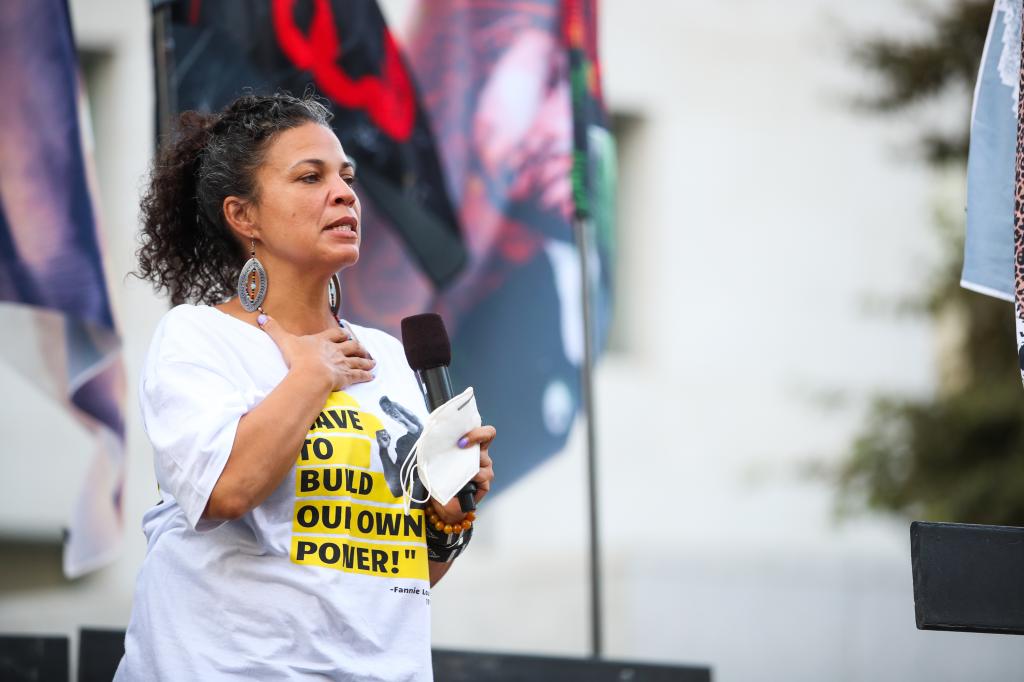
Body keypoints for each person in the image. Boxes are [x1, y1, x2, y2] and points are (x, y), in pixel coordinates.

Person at [114, 92, 495, 681]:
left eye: (346, 176)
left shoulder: (391, 359)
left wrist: (447, 518)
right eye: (309, 177)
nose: (344, 193)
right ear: (244, 217)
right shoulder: (199, 338)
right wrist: (314, 374)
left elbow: (397, 575)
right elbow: (226, 490)